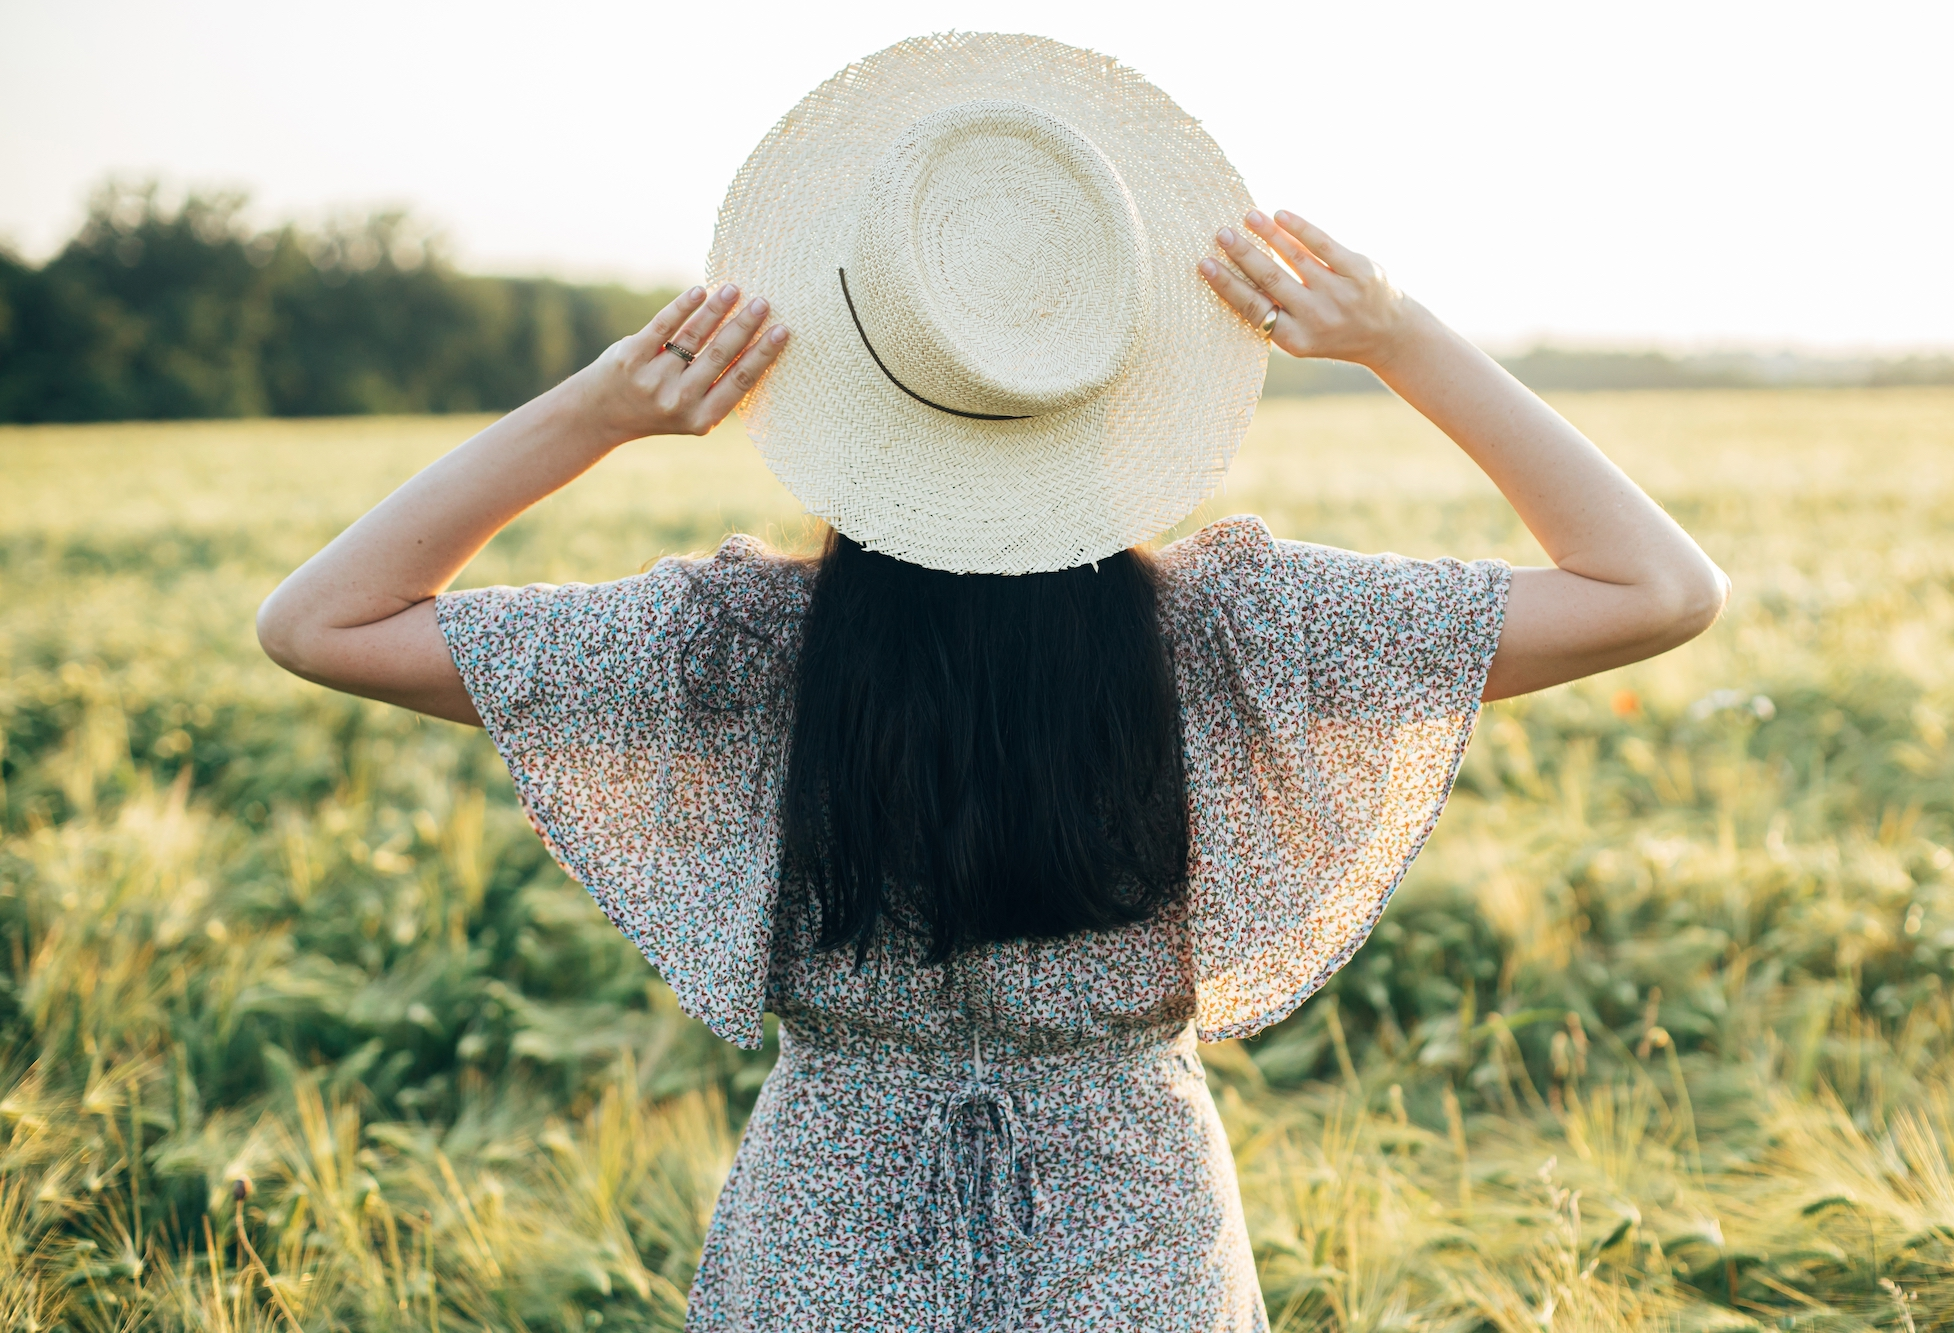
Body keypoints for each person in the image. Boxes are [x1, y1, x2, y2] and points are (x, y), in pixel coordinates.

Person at [258, 33, 1725, 1333]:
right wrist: (1398, 337)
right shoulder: (1234, 634)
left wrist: (598, 408)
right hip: (1135, 1255)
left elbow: (322, 624)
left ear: (846, 375)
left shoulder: (742, 645)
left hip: (822, 1257)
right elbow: (1657, 588)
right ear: (1126, 390)